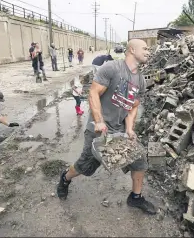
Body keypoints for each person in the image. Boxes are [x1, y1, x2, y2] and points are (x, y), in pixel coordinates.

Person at [56, 39, 156, 215]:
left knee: (140, 162)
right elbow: (93, 92)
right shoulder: (112, 68)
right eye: (145, 48)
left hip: (120, 130)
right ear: (132, 49)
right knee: (85, 167)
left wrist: (130, 128)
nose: (149, 51)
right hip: (99, 127)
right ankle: (65, 178)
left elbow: (133, 106)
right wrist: (99, 120)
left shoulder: (140, 81)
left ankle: (135, 197)